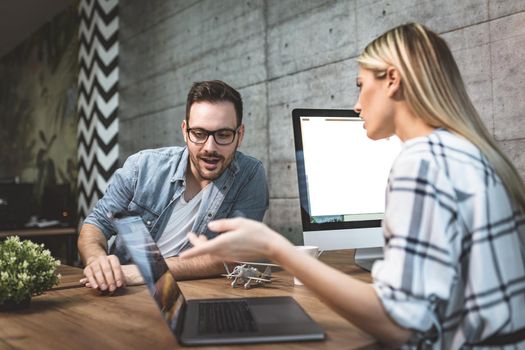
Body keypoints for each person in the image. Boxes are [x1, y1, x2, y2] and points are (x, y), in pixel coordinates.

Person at [180, 24, 525, 349]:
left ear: (392, 79)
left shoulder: (422, 161)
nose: (357, 104)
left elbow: (397, 323)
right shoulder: (467, 152)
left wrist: (275, 247)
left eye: (361, 85)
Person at [78, 80, 269, 293]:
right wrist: (97, 261)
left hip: (193, 293)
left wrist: (147, 271)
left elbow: (235, 254)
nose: (210, 147)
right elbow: (95, 225)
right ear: (185, 131)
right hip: (123, 291)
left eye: (223, 135)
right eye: (199, 134)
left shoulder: (250, 175)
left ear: (239, 135)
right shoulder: (142, 167)